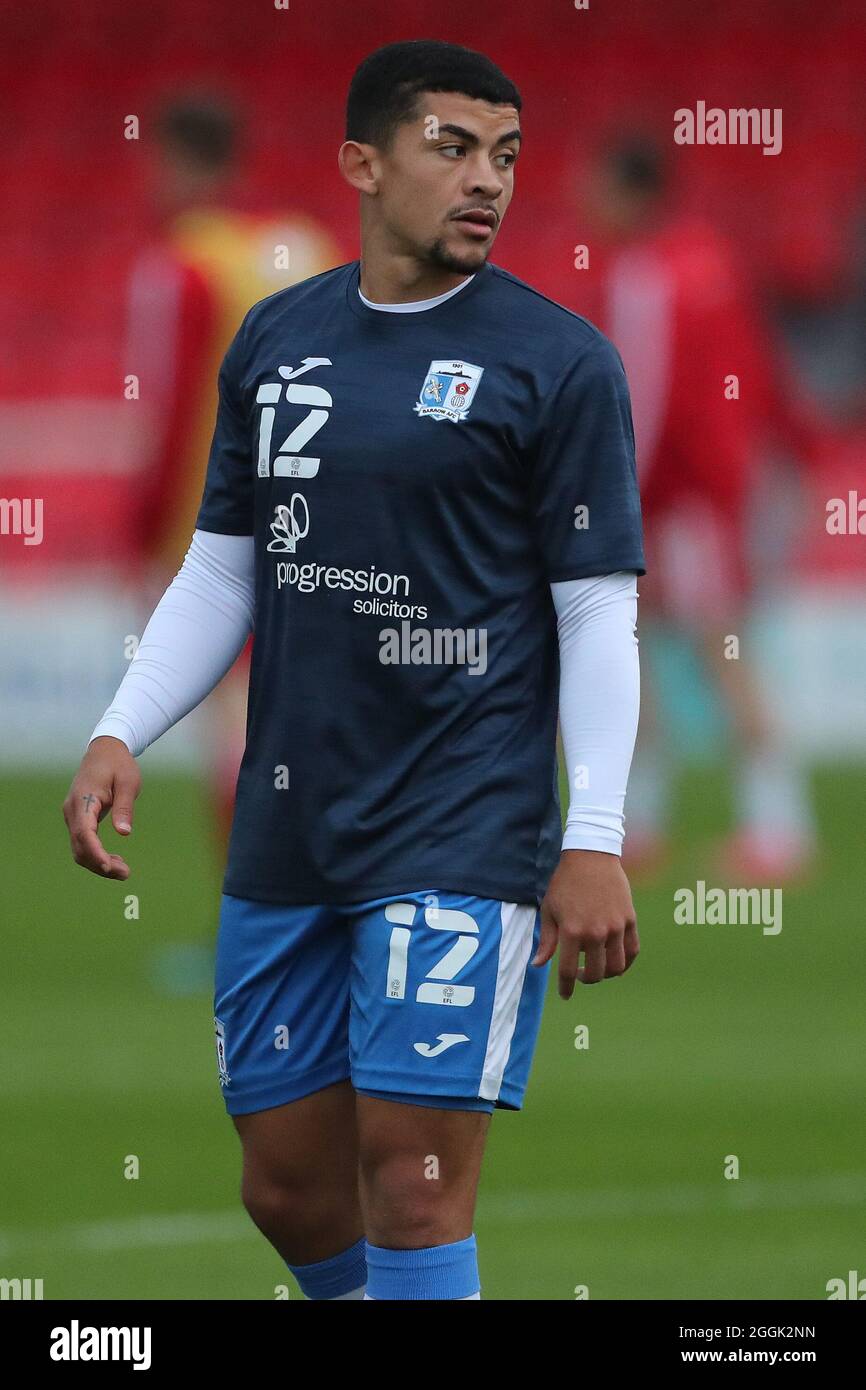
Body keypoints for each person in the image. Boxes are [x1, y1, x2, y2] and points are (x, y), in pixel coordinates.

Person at [63, 40, 644, 1302]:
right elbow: (226, 570)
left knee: (414, 1175)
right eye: (450, 147)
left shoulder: (560, 364)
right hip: (290, 822)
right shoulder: (278, 339)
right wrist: (122, 728)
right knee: (285, 1182)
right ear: (361, 163)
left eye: (503, 156)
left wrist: (590, 831)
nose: (484, 180)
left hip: (459, 822)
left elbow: (597, 614)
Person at [576, 136, 816, 881]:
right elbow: (764, 371)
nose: (585, 198)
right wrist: (792, 452)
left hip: (677, 501)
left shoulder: (647, 277)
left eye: (595, 182)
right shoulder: (712, 260)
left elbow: (639, 401)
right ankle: (642, 823)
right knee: (665, 650)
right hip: (723, 489)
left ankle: (776, 827)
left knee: (698, 654)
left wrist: (608, 499)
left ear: (629, 191)